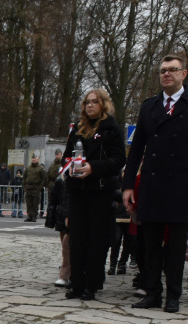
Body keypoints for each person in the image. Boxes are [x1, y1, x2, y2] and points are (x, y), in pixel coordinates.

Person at [124, 53, 188, 314]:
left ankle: (173, 295)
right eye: (163, 70)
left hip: (182, 184)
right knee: (149, 244)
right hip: (152, 184)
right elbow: (137, 148)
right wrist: (129, 185)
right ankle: (152, 292)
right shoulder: (149, 107)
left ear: (183, 74)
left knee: (175, 246)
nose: (167, 74)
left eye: (172, 70)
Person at [62, 88, 126, 301]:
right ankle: (76, 282)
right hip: (78, 190)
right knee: (77, 238)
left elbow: (118, 160)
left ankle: (92, 283)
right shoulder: (77, 129)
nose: (90, 105)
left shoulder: (112, 129)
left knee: (96, 239)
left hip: (100, 190)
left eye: (94, 102)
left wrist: (93, 167)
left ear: (103, 104)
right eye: (87, 102)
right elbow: (66, 157)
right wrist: (69, 168)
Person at [23, 152, 47, 222]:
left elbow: (43, 178)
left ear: (38, 159)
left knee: (35, 203)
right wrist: (24, 185)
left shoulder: (40, 168)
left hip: (36, 188)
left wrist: (40, 187)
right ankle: (29, 215)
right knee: (29, 202)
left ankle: (34, 216)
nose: (34, 159)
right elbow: (24, 177)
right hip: (28, 187)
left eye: (35, 158)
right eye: (33, 158)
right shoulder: (28, 168)